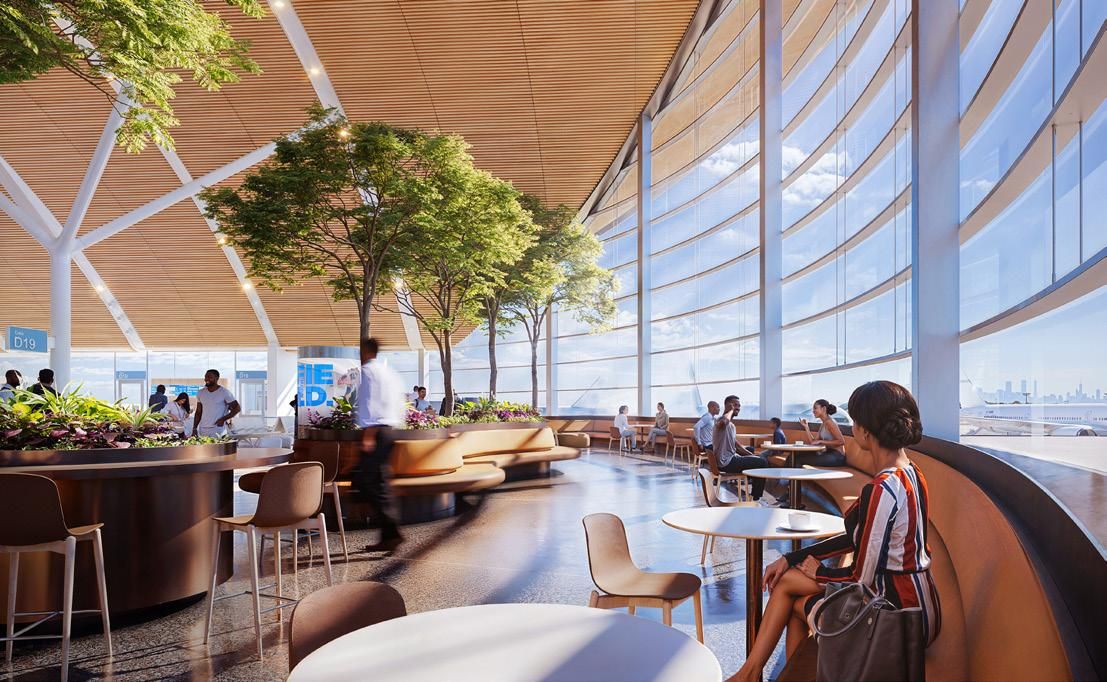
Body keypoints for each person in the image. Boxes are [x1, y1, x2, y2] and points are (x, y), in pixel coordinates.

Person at [733, 381, 941, 682]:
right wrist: (793, 560)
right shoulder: (911, 473)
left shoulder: (882, 490)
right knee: (790, 590)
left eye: (854, 422)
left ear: (864, 432)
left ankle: (749, 674)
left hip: (897, 615)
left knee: (788, 590)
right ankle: (752, 674)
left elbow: (860, 578)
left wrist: (819, 572)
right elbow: (857, 539)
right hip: (921, 601)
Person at [353, 337, 406, 552]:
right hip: (389, 432)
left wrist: (368, 435)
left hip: (375, 432)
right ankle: (389, 536)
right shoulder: (388, 372)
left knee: (366, 482)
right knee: (380, 484)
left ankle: (392, 530)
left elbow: (370, 404)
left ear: (365, 351)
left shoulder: (367, 371)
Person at [712, 395, 772, 501]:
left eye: (739, 405)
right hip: (727, 462)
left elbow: (737, 446)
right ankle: (756, 498)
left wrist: (753, 456)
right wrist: (730, 411)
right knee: (762, 463)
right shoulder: (720, 421)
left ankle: (753, 488)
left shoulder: (729, 425)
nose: (738, 408)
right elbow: (723, 422)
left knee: (759, 459)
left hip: (730, 459)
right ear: (727, 405)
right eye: (735, 405)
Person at [798, 398, 847, 466]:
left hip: (837, 456)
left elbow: (841, 441)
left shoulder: (830, 422)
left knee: (799, 459)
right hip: (828, 453)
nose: (813, 411)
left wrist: (821, 441)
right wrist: (806, 427)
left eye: (815, 408)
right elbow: (813, 442)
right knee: (796, 456)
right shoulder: (823, 423)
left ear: (823, 409)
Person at [192, 370, 240, 437]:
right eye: (205, 377)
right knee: (204, 447)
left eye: (209, 377)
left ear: (217, 378)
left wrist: (223, 419)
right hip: (203, 429)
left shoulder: (224, 392)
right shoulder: (200, 393)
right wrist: (194, 428)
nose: (206, 379)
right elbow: (198, 412)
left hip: (218, 429)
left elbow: (237, 408)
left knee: (217, 448)